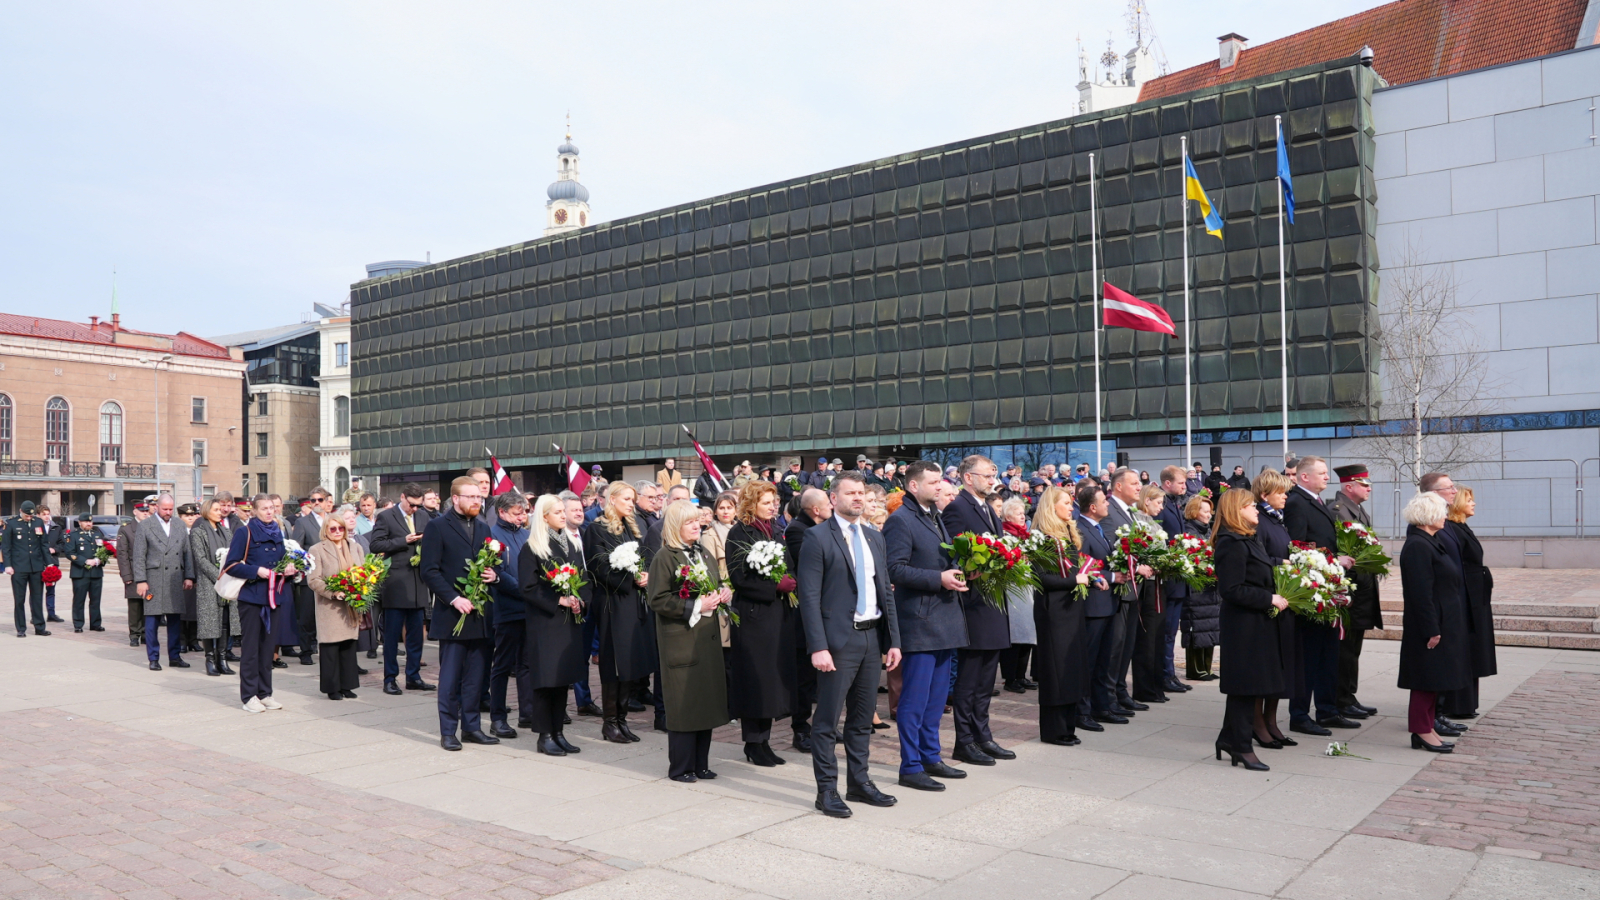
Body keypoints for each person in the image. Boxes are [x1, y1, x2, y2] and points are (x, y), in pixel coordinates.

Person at [798, 472, 902, 817]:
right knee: (827, 721)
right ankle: (826, 790)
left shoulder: (875, 537)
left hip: (872, 638)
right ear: (833, 498)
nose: (858, 498)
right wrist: (818, 646)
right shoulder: (817, 538)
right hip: (837, 641)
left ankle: (859, 783)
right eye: (850, 493)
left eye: (862, 493)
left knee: (861, 719)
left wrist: (893, 641)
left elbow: (885, 591)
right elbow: (809, 597)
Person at [882, 460, 969, 790]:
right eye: (933, 482)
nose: (939, 486)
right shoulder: (901, 520)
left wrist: (962, 570)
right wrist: (938, 578)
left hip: (942, 619)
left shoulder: (933, 516)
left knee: (935, 699)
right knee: (915, 700)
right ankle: (911, 765)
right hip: (919, 622)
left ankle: (931, 757)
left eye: (940, 481)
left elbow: (941, 559)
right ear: (913, 486)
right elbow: (894, 569)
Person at [646, 499, 731, 782]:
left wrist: (722, 593)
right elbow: (657, 599)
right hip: (680, 640)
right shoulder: (665, 557)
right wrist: (696, 605)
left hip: (705, 640)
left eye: (697, 520)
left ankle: (701, 763)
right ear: (675, 526)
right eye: (689, 522)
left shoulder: (703, 552)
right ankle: (681, 767)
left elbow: (714, 584)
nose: (697, 525)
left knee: (704, 702)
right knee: (684, 705)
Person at [941, 454, 1014, 766]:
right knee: (970, 679)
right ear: (967, 477)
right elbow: (950, 551)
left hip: (992, 601)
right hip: (973, 605)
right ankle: (965, 740)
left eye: (992, 474)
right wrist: (967, 568)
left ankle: (983, 735)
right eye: (985, 475)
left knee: (987, 679)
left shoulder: (986, 507)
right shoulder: (958, 507)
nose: (991, 480)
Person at [421, 476, 501, 751]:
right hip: (452, 615)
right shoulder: (437, 527)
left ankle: (472, 727)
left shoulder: (483, 528)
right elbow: (429, 570)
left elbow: (491, 564)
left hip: (480, 615)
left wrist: (494, 574)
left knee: (476, 677)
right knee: (451, 677)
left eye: (479, 497)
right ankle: (448, 731)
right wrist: (454, 598)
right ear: (456, 498)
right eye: (471, 497)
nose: (477, 501)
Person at [1212, 487, 1288, 772]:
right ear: (1236, 510)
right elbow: (1231, 589)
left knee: (1248, 686)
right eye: (1251, 506)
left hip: (1257, 623)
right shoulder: (1231, 543)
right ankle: (1242, 745)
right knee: (1245, 686)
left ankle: (1228, 739)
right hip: (1243, 625)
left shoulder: (1248, 539)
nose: (1257, 510)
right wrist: (1268, 598)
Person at [1282, 456, 1358, 735]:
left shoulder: (1316, 501)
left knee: (1328, 653)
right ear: (1304, 477)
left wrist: (1338, 559)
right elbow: (1297, 549)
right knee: (1309, 657)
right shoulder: (1296, 503)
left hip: (1327, 587)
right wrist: (1333, 564)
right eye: (1322, 473)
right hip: (1312, 592)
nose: (1327, 477)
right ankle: (1300, 714)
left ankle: (1327, 710)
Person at [725, 480, 799, 767]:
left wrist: (791, 580)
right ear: (751, 503)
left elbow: (788, 563)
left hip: (777, 616)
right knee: (756, 679)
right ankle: (753, 743)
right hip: (754, 616)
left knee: (771, 680)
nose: (773, 506)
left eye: (775, 501)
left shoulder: (775, 531)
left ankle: (764, 741)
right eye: (767, 502)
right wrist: (773, 586)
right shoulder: (739, 532)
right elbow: (739, 577)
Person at [1398, 491, 1470, 752]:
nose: (1445, 516)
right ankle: (1420, 729)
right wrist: (1432, 629)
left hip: (1443, 621)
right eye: (1441, 512)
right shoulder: (1418, 545)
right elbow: (1420, 592)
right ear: (1428, 515)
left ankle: (1426, 727)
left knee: (1435, 679)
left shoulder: (1430, 541)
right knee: (1425, 680)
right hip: (1429, 625)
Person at [1032, 485, 1102, 746]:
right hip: (1053, 612)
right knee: (1056, 670)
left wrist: (1092, 579)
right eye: (1065, 503)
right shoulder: (1041, 536)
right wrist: (1076, 579)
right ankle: (1054, 730)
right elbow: (1041, 578)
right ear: (1052, 507)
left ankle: (1068, 726)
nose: (1071, 507)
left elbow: (1075, 572)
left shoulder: (1069, 533)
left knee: (1072, 668)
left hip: (1071, 610)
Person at [585, 482, 655, 743]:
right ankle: (610, 722)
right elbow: (598, 567)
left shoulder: (632, 527)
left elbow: (645, 556)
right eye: (626, 498)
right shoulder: (596, 529)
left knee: (630, 662)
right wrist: (629, 580)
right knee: (615, 663)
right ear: (611, 499)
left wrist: (646, 574)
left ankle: (622, 720)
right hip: (612, 603)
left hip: (634, 603)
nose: (631, 503)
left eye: (632, 499)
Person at [519, 494, 588, 756]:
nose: (563, 515)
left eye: (563, 511)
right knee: (546, 680)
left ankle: (559, 731)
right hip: (545, 623)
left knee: (563, 679)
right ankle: (544, 734)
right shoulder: (533, 547)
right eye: (557, 511)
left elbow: (584, 578)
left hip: (569, 621)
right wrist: (557, 599)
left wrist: (582, 600)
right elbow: (528, 587)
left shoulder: (572, 544)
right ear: (544, 516)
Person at [221, 494, 296, 712]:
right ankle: (249, 696)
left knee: (267, 648)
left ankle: (265, 693)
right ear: (254, 510)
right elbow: (231, 565)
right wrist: (257, 571)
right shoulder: (245, 532)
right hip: (252, 597)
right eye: (264, 508)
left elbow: (280, 562)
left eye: (272, 507)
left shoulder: (277, 530)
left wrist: (289, 569)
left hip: (273, 597)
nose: (269, 512)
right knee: (251, 648)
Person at [370, 483, 434, 695]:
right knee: (392, 635)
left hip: (418, 583)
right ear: (403, 497)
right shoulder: (387, 517)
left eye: (418, 505)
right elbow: (376, 545)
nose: (414, 509)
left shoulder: (423, 516)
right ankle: (390, 678)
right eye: (412, 505)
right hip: (396, 582)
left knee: (416, 635)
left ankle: (413, 676)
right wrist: (402, 541)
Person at [1441, 483, 1497, 721]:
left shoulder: (1462, 527)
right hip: (1465, 598)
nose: (1473, 503)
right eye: (1469, 499)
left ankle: (1467, 703)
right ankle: (1456, 704)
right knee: (1465, 650)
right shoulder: (1451, 528)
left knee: (1473, 651)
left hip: (1475, 597)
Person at [1329, 465, 1381, 721]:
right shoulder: (1338, 511)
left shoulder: (1357, 510)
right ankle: (1341, 699)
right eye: (1364, 484)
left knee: (1354, 648)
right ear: (1349, 486)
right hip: (1350, 590)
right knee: (1346, 649)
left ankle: (1349, 695)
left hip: (1362, 589)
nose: (1369, 488)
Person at [1102, 468, 1154, 717]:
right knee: (1115, 645)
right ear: (1118, 486)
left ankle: (1121, 691)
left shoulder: (1130, 513)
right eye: (1134, 483)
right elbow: (1111, 549)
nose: (1138, 487)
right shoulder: (1109, 511)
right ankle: (1109, 697)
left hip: (1133, 588)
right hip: (1118, 589)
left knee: (1127, 644)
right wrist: (1135, 565)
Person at [1252, 469, 1298, 748]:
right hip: (1267, 600)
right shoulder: (1259, 519)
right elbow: (1257, 559)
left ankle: (1271, 721)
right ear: (1264, 494)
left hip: (1284, 598)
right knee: (1265, 668)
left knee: (1281, 667)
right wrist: (1282, 564)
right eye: (1280, 492)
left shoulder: (1278, 520)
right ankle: (1257, 723)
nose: (1285, 497)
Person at [783, 487, 829, 752]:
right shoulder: (799, 530)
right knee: (804, 679)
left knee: (825, 679)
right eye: (828, 505)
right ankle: (800, 729)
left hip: (826, 611)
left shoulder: (825, 527)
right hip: (805, 613)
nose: (832, 508)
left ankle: (825, 727)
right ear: (815, 510)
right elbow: (812, 564)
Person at [1075, 481, 1122, 729]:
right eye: (1104, 501)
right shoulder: (1081, 529)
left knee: (1104, 661)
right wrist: (1114, 576)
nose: (1108, 504)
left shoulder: (1098, 528)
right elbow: (1086, 565)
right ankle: (1082, 712)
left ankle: (1101, 706)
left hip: (1107, 604)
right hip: (1093, 606)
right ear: (1093, 507)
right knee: (1089, 662)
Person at [485, 492, 531, 737]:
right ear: (502, 512)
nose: (522, 517)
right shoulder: (492, 535)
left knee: (526, 663)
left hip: (528, 608)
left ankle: (528, 712)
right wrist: (525, 591)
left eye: (524, 512)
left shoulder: (527, 535)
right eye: (516, 513)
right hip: (505, 608)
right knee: (502, 664)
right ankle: (498, 717)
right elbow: (496, 572)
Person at [133, 495, 195, 671]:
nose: (168, 512)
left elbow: (187, 552)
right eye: (164, 509)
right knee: (152, 620)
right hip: (154, 578)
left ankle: (174, 656)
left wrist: (189, 576)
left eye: (170, 509)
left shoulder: (179, 524)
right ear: (156, 507)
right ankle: (153, 657)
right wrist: (141, 580)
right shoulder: (146, 525)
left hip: (175, 578)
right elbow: (138, 556)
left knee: (175, 619)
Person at [308, 516, 365, 701]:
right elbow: (313, 579)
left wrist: (362, 587)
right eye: (333, 529)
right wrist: (333, 592)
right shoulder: (317, 550)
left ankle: (347, 686)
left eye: (340, 528)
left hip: (351, 605)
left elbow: (363, 571)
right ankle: (332, 688)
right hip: (331, 606)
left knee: (348, 645)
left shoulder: (355, 547)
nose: (338, 531)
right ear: (326, 530)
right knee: (331, 647)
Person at [1130, 484, 1172, 704]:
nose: (1161, 507)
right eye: (1158, 502)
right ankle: (1145, 688)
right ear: (1146, 501)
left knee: (1157, 636)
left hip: (1158, 582)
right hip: (1147, 585)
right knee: (1147, 637)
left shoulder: (1153, 523)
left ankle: (1156, 685)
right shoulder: (1137, 521)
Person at [1155, 466, 1194, 695]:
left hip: (1178, 577)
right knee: (1167, 630)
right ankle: (1164, 674)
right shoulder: (1161, 505)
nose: (1185, 486)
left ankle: (1170, 673)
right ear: (1167, 483)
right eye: (1181, 482)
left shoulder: (1176, 503)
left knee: (1172, 630)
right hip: (1168, 578)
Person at [189, 499, 239, 675]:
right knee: (209, 623)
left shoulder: (226, 531)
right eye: (216, 509)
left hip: (227, 581)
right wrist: (218, 575)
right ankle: (210, 660)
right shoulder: (198, 532)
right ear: (206, 511)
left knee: (225, 621)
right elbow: (200, 558)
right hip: (209, 583)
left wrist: (230, 571)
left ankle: (222, 659)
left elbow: (234, 553)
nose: (220, 512)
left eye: (221, 509)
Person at [289, 488, 333, 665]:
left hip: (332, 575)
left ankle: (329, 650)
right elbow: (296, 548)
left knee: (330, 615)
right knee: (307, 616)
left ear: (326, 501)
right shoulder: (303, 522)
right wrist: (310, 559)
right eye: (313, 500)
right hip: (311, 575)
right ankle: (306, 650)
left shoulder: (333, 520)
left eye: (320, 500)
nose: (316, 503)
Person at [998, 496, 1037, 694]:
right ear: (1007, 515)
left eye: (1023, 513)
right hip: (1013, 590)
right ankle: (1010, 677)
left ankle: (1022, 675)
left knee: (1028, 634)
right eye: (1018, 513)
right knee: (1015, 634)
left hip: (1027, 589)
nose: (1023, 516)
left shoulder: (1024, 535)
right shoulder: (1005, 534)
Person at [1179, 495, 1219, 681]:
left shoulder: (1208, 530)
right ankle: (1196, 669)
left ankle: (1206, 668)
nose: (1208, 515)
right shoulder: (1190, 531)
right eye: (1204, 511)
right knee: (1198, 626)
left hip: (1209, 586)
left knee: (1209, 627)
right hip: (1196, 587)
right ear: (1194, 512)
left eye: (1210, 511)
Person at [3, 501, 51, 637]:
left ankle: (39, 627)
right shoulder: (12, 523)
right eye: (26, 515)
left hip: (36, 566)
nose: (29, 518)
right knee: (19, 599)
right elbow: (6, 547)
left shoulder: (38, 522)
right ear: (21, 511)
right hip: (19, 567)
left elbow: (44, 544)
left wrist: (49, 564)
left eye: (30, 516)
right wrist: (8, 565)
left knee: (37, 598)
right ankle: (21, 628)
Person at [61, 513, 108, 634]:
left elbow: (104, 550)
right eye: (86, 522)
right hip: (80, 573)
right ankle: (78, 624)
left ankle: (95, 623)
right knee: (79, 600)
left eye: (90, 522)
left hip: (96, 572)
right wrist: (85, 561)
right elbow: (69, 553)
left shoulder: (97, 534)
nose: (89, 524)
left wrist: (99, 560)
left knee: (96, 600)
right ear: (80, 522)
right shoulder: (73, 535)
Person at [116, 504, 150, 646]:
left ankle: (146, 634)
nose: (145, 513)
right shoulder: (127, 529)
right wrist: (126, 576)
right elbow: (122, 554)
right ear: (135, 511)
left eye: (147, 511)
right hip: (134, 573)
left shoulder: (152, 526)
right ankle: (134, 635)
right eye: (142, 511)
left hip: (150, 573)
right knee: (135, 606)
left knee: (149, 605)